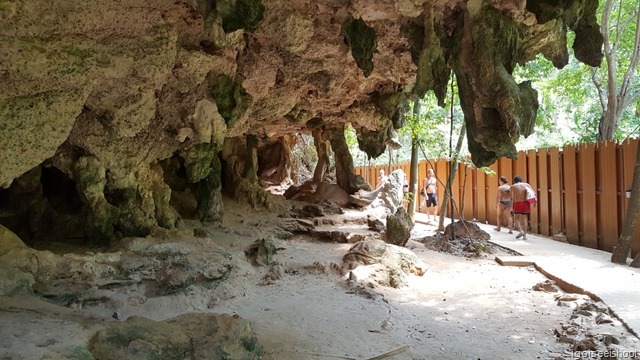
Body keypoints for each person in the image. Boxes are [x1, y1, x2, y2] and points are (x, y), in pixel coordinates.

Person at [510, 176, 535, 240]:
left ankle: (521, 231)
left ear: (514, 181)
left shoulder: (513, 186)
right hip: (526, 203)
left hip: (518, 203)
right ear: (521, 180)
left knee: (516, 218)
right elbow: (533, 193)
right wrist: (535, 202)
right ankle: (524, 236)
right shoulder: (526, 184)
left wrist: (511, 207)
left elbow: (512, 198)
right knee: (525, 218)